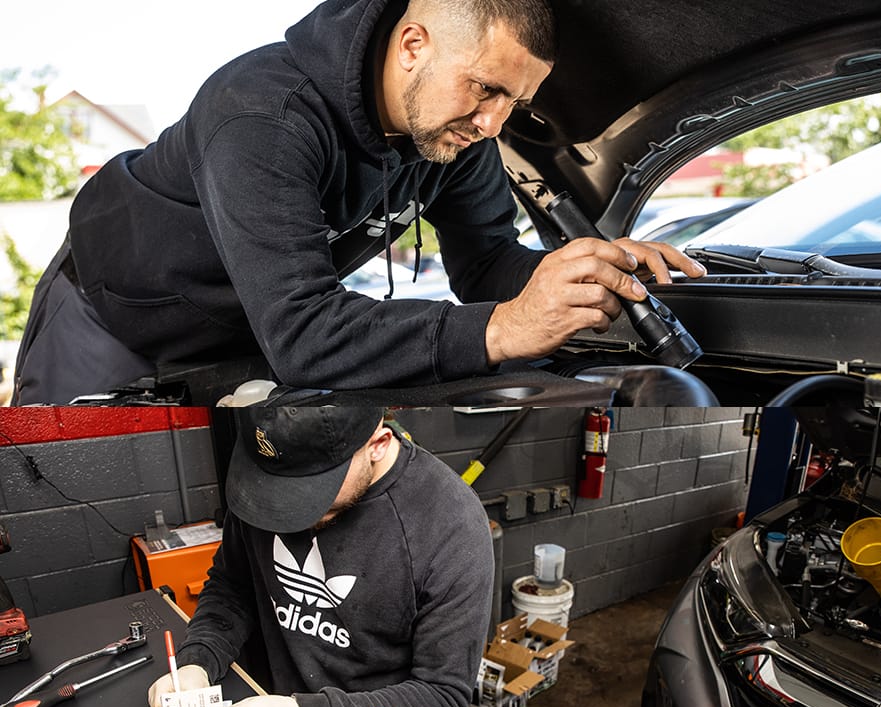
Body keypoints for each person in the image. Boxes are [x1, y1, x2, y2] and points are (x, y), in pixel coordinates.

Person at [13, 0, 706, 405]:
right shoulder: (262, 113)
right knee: (75, 508)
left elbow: (486, 263)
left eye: (515, 103)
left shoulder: (456, 138)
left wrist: (580, 277)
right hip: (113, 316)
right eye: (485, 89)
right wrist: (499, 330)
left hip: (250, 331)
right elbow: (308, 337)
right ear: (413, 45)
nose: (494, 124)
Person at [147, 406, 494, 707]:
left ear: (377, 444)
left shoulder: (448, 522)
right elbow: (232, 587)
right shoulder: (265, 489)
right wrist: (197, 662)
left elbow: (441, 695)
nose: (287, 512)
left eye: (311, 493)